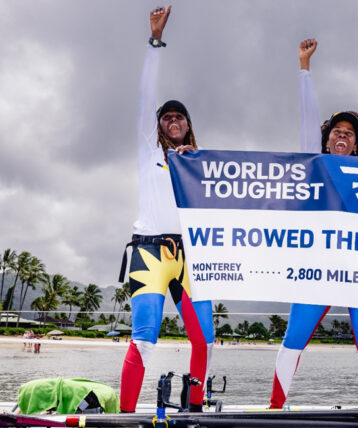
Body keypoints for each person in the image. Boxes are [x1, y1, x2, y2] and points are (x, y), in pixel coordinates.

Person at [269, 38, 358, 411]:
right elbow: (307, 116)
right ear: (325, 139)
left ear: (357, 144)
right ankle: (275, 408)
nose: (341, 136)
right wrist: (304, 68)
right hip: (317, 269)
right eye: (336, 132)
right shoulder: (314, 163)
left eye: (349, 133)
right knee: (293, 340)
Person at [118, 6, 214, 413]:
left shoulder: (202, 161)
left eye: (180, 117)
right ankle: (123, 416)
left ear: (189, 126)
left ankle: (193, 410)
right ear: (158, 126)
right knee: (144, 337)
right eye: (167, 117)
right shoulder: (148, 151)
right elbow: (145, 98)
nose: (173, 120)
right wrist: (154, 42)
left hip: (189, 256)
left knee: (203, 339)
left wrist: (198, 166)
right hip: (150, 254)